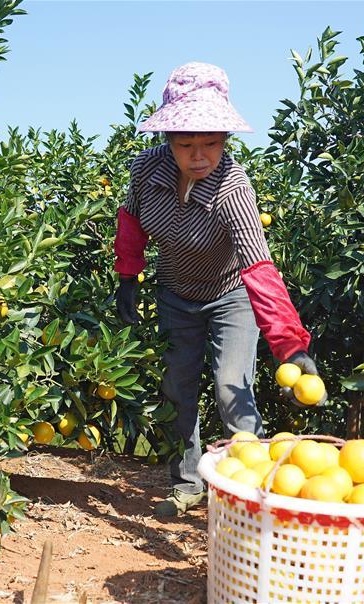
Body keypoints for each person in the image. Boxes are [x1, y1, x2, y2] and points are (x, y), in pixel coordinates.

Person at [112, 62, 325, 517]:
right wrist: (127, 276)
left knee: (232, 387)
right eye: (186, 144)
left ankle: (248, 493)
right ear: (167, 141)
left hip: (232, 295)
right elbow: (131, 222)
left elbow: (258, 266)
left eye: (210, 142)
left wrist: (290, 347)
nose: (199, 155)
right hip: (175, 293)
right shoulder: (145, 171)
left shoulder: (234, 188)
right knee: (177, 388)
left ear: (225, 140)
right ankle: (186, 484)